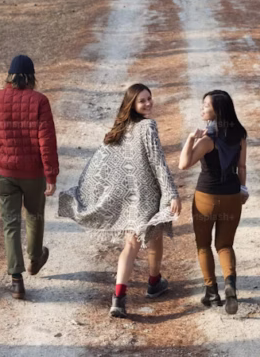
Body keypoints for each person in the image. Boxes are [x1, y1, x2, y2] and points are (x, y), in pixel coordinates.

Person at [58, 83, 181, 318]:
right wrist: (172, 193)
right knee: (152, 239)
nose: (148, 103)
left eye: (149, 98)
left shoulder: (120, 129)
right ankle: (153, 283)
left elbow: (103, 164)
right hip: (147, 197)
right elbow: (158, 163)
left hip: (128, 199)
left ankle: (120, 298)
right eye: (142, 100)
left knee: (131, 246)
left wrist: (102, 190)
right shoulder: (148, 126)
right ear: (132, 104)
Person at [0, 55, 59, 300]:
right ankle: (35, 259)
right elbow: (46, 141)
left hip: (5, 172)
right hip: (33, 172)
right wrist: (51, 173)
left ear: (10, 75)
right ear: (31, 76)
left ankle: (16, 280)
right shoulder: (40, 101)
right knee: (35, 215)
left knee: (11, 223)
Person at [178, 90, 248, 315]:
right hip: (232, 196)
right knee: (225, 245)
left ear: (217, 110)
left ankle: (211, 291)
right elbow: (243, 166)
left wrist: (190, 139)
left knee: (203, 244)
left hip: (206, 197)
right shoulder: (239, 135)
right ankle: (231, 287)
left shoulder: (208, 140)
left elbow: (184, 164)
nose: (202, 108)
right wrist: (243, 189)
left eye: (206, 105)